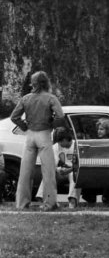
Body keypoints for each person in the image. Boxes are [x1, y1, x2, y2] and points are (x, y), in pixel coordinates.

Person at [9, 71, 66, 211]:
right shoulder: (50, 98)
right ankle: (49, 203)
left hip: (30, 135)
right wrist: (51, 125)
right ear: (46, 82)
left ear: (33, 84)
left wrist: (25, 126)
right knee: (48, 171)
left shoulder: (26, 98)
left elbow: (14, 117)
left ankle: (22, 204)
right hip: (44, 135)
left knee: (25, 171)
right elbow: (61, 117)